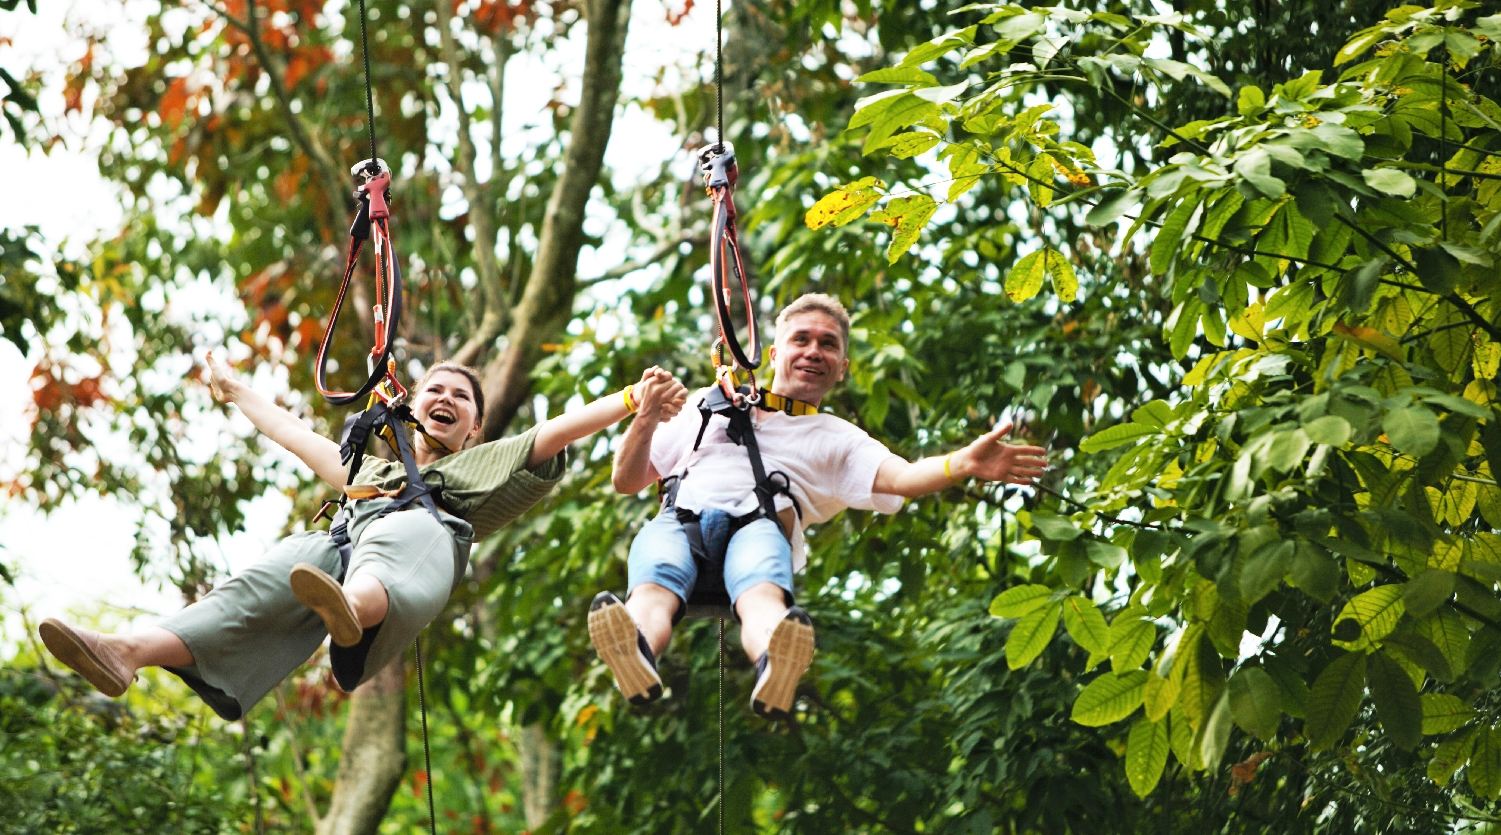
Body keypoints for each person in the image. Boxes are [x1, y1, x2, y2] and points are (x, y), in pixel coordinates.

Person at [39, 353, 688, 721]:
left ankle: (351, 609)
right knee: (288, 562)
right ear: (406, 406)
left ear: (476, 428)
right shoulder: (367, 472)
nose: (445, 396)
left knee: (402, 532)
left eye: (461, 397)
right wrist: (235, 388)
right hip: (347, 553)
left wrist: (634, 397)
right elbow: (292, 432)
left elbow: (562, 429)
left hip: (419, 559)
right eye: (433, 387)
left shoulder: (480, 467)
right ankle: (128, 651)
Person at [588, 293, 1049, 719]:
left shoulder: (835, 437)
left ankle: (775, 664)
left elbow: (903, 478)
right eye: (801, 339)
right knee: (651, 591)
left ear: (842, 366)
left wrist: (962, 462)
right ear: (774, 354)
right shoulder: (706, 408)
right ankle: (636, 653)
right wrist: (645, 418)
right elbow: (626, 480)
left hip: (758, 526)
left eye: (827, 345)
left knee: (762, 599)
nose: (813, 351)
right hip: (681, 520)